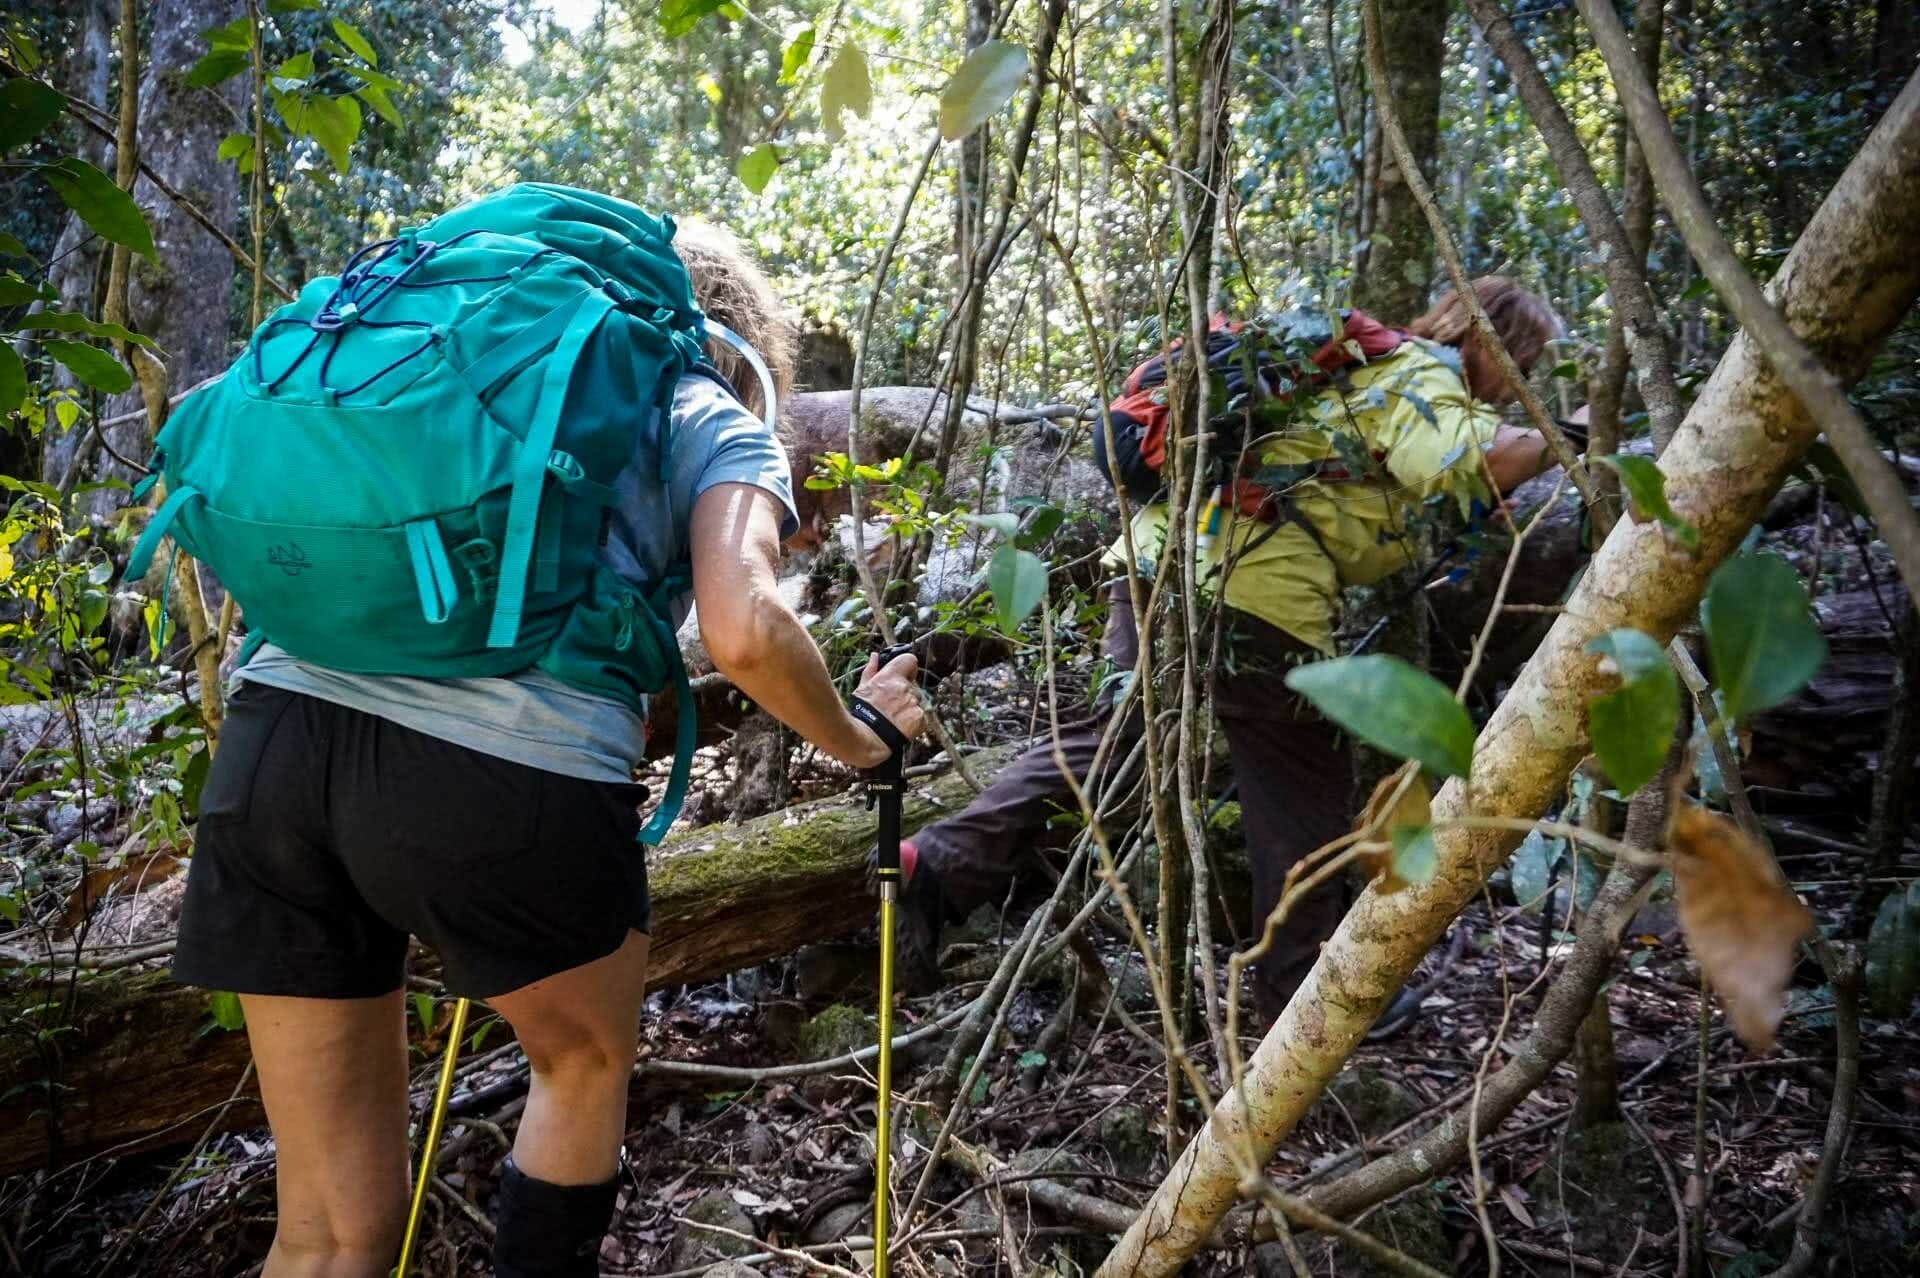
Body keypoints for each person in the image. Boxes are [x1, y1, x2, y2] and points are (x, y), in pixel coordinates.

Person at [167, 212, 926, 1278]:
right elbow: (744, 628)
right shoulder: (706, 412)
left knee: (331, 1233)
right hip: (499, 781)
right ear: (742, 336)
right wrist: (862, 742)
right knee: (580, 1062)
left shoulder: (450, 363)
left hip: (272, 753)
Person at [885, 277, 1561, 1027]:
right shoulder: (1422, 373)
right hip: (1255, 593)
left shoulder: (1356, 368)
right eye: (1524, 364)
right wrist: (1565, 440)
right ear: (1490, 339)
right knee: (1298, 796)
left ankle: (936, 863)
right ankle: (1305, 1001)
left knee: (1112, 737)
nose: (1520, 384)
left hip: (1156, 561)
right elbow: (1466, 461)